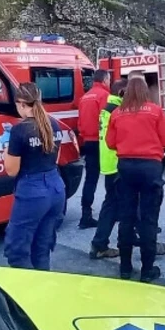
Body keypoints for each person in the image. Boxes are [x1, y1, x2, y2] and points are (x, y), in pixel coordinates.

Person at [105, 74, 165, 282]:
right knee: (149, 219)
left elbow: (110, 143)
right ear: (145, 91)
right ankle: (147, 270)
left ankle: (125, 268)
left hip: (126, 167)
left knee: (126, 218)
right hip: (150, 168)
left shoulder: (117, 113)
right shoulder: (155, 111)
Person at [90, 79, 165, 260]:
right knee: (138, 207)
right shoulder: (120, 110)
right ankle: (147, 245)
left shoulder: (109, 107)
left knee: (115, 206)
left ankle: (102, 243)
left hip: (112, 162)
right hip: (122, 162)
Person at [1, 83, 66, 270]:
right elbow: (55, 157)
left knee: (17, 251)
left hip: (33, 191)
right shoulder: (52, 123)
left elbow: (11, 170)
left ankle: (26, 295)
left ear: (21, 104)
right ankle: (42, 293)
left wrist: (6, 145)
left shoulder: (19, 130)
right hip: (56, 188)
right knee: (41, 248)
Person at [75, 69, 111, 229]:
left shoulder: (84, 97)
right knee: (112, 177)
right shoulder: (104, 96)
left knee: (90, 179)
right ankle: (114, 211)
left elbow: (80, 121)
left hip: (87, 141)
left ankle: (86, 215)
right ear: (105, 79)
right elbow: (107, 120)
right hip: (102, 142)